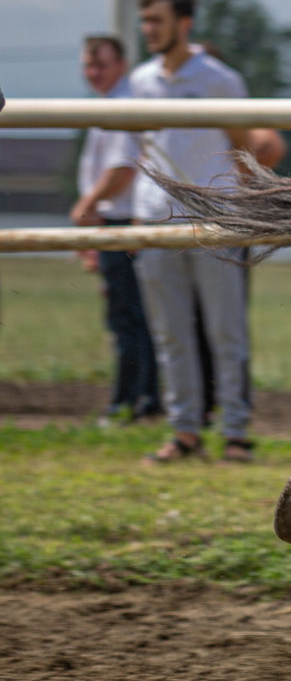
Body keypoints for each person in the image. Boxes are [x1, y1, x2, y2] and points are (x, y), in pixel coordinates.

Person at [126, 0, 261, 463]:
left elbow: (244, 146)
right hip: (155, 220)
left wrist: (244, 211)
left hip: (213, 220)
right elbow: (139, 150)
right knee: (170, 334)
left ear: (184, 24)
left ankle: (236, 433)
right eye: (145, 21)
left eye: (156, 21)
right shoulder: (140, 80)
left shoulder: (221, 79)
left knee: (226, 332)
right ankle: (183, 431)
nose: (149, 31)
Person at [69, 33, 160, 422]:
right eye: (89, 65)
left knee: (129, 318)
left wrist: (86, 207)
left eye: (101, 64)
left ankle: (133, 401)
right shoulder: (111, 103)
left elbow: (123, 168)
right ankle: (139, 399)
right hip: (114, 218)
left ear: (121, 65)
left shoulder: (123, 105)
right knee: (130, 316)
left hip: (122, 219)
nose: (94, 72)